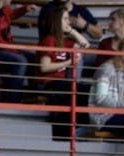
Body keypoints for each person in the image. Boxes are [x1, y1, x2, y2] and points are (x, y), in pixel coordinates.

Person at [37, 6, 91, 139]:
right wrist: (69, 62)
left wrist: (72, 31)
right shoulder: (49, 40)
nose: (69, 22)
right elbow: (44, 67)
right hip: (48, 83)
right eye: (66, 19)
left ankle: (76, 129)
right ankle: (73, 131)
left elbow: (86, 45)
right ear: (56, 21)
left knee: (83, 90)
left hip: (60, 84)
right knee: (80, 91)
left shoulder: (65, 41)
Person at [89, 34, 124, 156]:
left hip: (117, 114)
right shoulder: (106, 69)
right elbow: (101, 99)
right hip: (103, 118)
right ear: (119, 50)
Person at [37, 0, 102, 42]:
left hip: (75, 51)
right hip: (53, 49)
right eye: (65, 19)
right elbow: (45, 35)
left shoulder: (81, 10)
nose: (68, 21)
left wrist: (85, 25)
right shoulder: (47, 8)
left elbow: (99, 34)